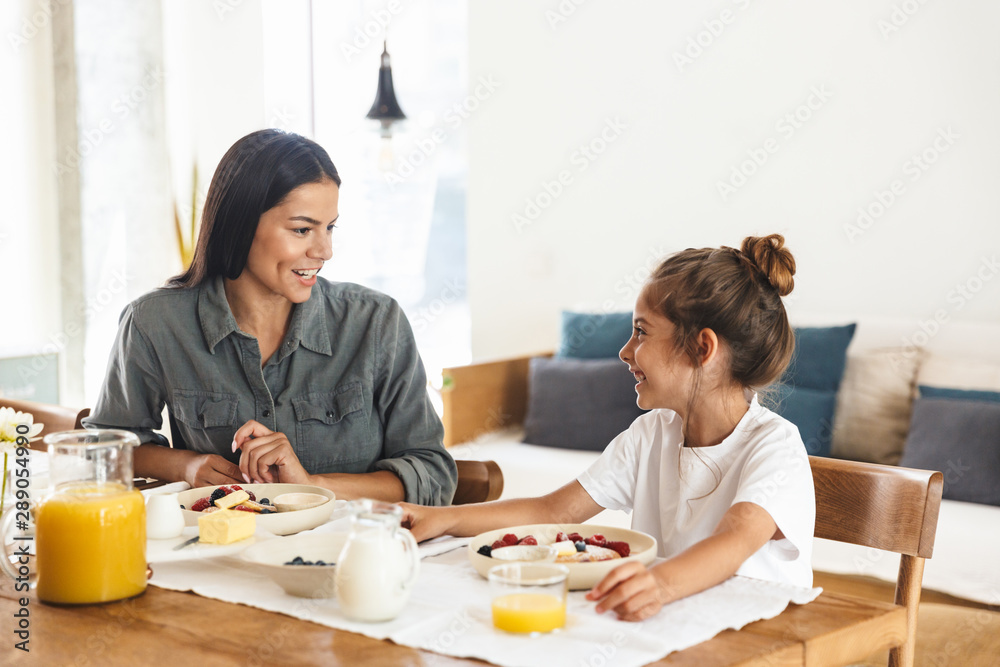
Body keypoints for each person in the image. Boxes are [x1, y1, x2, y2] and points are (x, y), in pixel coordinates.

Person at [400, 234, 815, 619]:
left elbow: (736, 539)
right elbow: (553, 511)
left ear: (702, 348)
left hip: (756, 638)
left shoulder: (775, 446)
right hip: (676, 626)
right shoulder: (652, 434)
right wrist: (442, 517)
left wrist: (659, 583)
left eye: (641, 332)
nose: (624, 351)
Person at [84, 129, 457, 505]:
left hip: (348, 554)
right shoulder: (155, 323)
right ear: (240, 224)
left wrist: (310, 485)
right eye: (302, 229)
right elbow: (104, 447)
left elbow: (433, 473)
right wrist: (186, 465)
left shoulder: (376, 323)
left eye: (330, 227)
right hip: (220, 556)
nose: (325, 250)